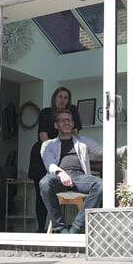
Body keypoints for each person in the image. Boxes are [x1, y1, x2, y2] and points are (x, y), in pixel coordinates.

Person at [28, 87, 82, 232]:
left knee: (63, 191)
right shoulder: (46, 113)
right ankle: (41, 228)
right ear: (54, 98)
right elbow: (43, 136)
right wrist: (54, 153)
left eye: (66, 97)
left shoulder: (72, 113)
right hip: (42, 154)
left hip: (66, 154)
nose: (62, 99)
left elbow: (76, 134)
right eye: (60, 96)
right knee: (42, 192)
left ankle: (60, 227)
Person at [39, 109, 102, 234]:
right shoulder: (48, 144)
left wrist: (126, 149)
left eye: (69, 120)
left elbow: (103, 149)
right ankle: (60, 228)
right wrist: (61, 173)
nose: (66, 122)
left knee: (101, 185)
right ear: (56, 125)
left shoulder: (82, 141)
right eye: (63, 120)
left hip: (80, 178)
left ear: (73, 124)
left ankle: (77, 227)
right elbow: (49, 164)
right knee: (44, 183)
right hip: (58, 178)